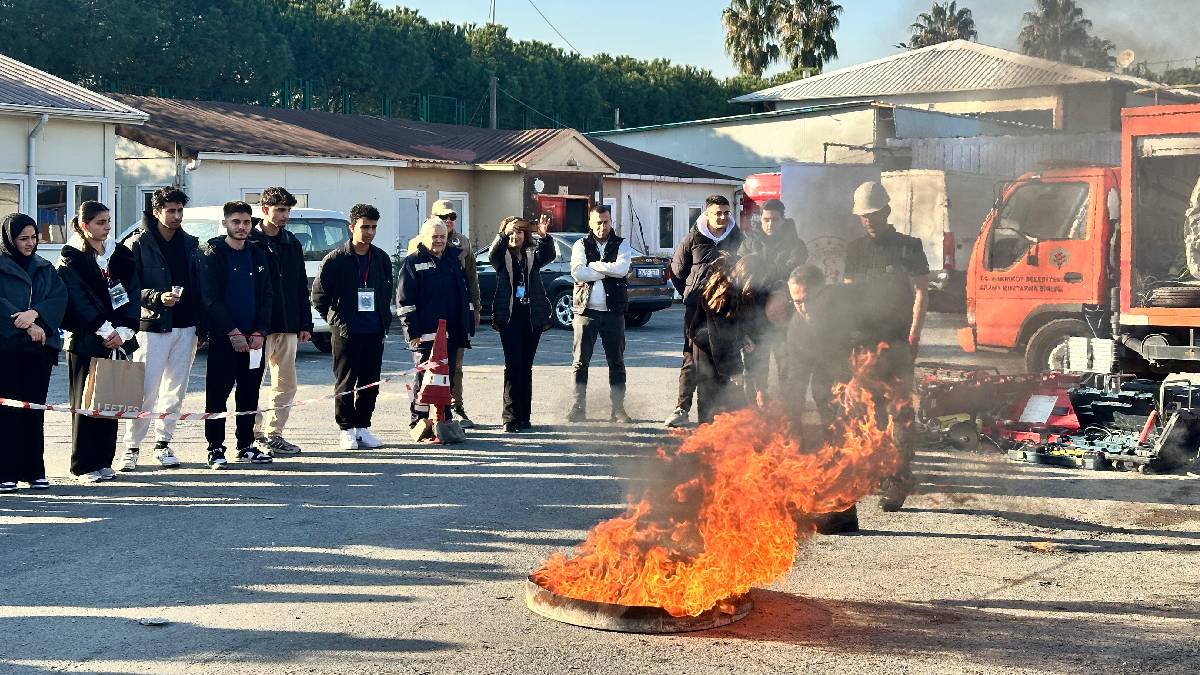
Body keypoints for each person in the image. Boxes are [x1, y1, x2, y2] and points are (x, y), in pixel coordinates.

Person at [843, 181, 929, 513]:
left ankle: (900, 478)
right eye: (863, 216)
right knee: (868, 412)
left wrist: (914, 338)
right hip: (864, 345)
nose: (868, 220)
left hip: (896, 344)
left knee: (900, 414)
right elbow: (848, 300)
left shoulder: (909, 247)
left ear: (887, 211)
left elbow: (921, 294)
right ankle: (880, 472)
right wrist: (849, 344)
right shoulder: (855, 250)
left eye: (873, 214)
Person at [120, 187, 204, 471]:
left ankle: (163, 444)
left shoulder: (191, 244)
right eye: (171, 210)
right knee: (145, 390)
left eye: (180, 210)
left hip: (186, 325)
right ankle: (131, 448)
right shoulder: (138, 243)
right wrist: (157, 297)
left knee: (175, 391)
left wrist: (201, 327)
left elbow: (200, 288)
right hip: (152, 327)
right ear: (156, 211)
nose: (177, 216)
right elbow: (127, 290)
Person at [56, 201, 140, 483]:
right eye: (99, 222)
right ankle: (83, 465)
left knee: (110, 401)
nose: (106, 228)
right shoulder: (72, 257)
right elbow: (76, 299)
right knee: (85, 402)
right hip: (86, 340)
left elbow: (132, 292)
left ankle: (105, 460)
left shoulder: (121, 255)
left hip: (118, 339)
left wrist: (126, 329)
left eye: (108, 221)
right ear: (84, 225)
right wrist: (103, 329)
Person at [198, 201, 275, 469]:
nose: (242, 227)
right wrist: (232, 332)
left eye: (246, 222)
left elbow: (267, 296)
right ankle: (215, 448)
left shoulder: (257, 253)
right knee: (217, 395)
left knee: (249, 393)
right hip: (224, 338)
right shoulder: (213, 253)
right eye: (236, 222)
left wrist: (260, 332)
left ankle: (246, 445)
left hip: (254, 339)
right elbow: (209, 298)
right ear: (226, 224)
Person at [311, 203, 394, 451]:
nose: (369, 232)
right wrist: (337, 322)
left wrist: (383, 321)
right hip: (347, 332)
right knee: (346, 381)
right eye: (365, 227)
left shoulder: (380, 258)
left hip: (374, 330)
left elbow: (386, 291)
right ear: (352, 227)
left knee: (370, 381)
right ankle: (346, 428)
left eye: (374, 227)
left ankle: (363, 427)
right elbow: (319, 296)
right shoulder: (336, 259)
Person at [0, 213, 67, 492]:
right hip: (8, 349)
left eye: (33, 237)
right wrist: (27, 325)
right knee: (8, 414)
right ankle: (6, 471)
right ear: (10, 240)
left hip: (39, 352)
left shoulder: (44, 267)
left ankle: (34, 470)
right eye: (23, 238)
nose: (30, 243)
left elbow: (58, 297)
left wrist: (36, 315)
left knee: (34, 411)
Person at [666, 194, 743, 426]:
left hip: (727, 309)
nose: (721, 217)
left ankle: (725, 414)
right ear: (707, 214)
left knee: (726, 357)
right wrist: (693, 295)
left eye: (725, 213)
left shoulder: (739, 239)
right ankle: (681, 408)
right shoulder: (693, 239)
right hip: (697, 310)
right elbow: (677, 272)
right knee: (692, 356)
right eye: (717, 213)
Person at [249, 186, 314, 456]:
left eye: (288, 210)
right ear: (265, 209)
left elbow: (300, 284)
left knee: (286, 383)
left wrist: (305, 324)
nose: (285, 215)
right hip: (258, 327)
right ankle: (252, 434)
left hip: (287, 324)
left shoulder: (292, 242)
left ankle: (275, 434)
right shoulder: (250, 241)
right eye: (280, 210)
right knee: (252, 382)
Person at [398, 217, 474, 439]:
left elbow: (464, 294)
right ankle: (418, 421)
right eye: (434, 237)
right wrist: (412, 333)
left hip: (451, 333)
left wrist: (466, 325)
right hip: (425, 335)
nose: (439, 240)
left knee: (446, 377)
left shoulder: (453, 260)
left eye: (442, 236)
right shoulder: (412, 263)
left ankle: (445, 418)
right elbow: (405, 302)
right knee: (424, 378)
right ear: (424, 238)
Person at [488, 215, 555, 432]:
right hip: (509, 319)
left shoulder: (530, 255)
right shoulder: (502, 256)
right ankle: (510, 418)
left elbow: (548, 255)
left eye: (520, 232)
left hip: (531, 317)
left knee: (526, 367)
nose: (516, 236)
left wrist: (544, 237)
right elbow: (492, 254)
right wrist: (502, 234)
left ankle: (524, 417)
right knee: (513, 365)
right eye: (512, 231)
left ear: (526, 235)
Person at [740, 199, 809, 403]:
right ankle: (755, 412)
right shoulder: (749, 243)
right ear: (760, 220)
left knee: (786, 364)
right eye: (766, 220)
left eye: (775, 220)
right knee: (754, 367)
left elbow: (792, 271)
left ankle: (788, 411)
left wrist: (761, 273)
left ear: (783, 220)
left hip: (784, 315)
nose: (770, 224)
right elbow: (742, 272)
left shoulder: (796, 245)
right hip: (754, 314)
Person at [568, 205, 632, 423]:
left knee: (616, 362)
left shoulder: (622, 243)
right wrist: (607, 269)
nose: (602, 226)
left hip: (614, 312)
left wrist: (594, 267)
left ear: (611, 221)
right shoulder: (580, 244)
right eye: (598, 222)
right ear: (590, 223)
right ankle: (578, 408)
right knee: (580, 362)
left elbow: (622, 270)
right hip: (586, 311)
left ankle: (618, 409)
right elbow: (577, 272)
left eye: (606, 221)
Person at [688, 254, 749, 423]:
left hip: (709, 345)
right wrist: (734, 370)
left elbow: (733, 326)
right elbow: (720, 337)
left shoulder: (725, 286)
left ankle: (712, 437)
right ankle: (708, 440)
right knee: (713, 397)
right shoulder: (725, 294)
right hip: (709, 348)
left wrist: (744, 337)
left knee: (714, 398)